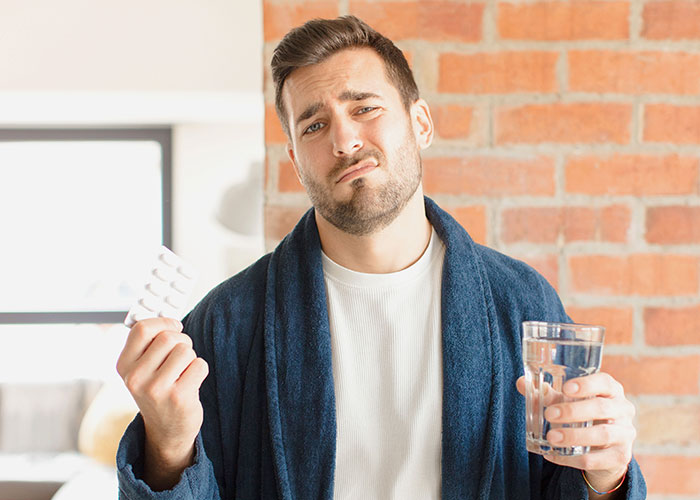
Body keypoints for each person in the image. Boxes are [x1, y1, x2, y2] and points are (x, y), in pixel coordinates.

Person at [116, 15, 646, 500]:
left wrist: (605, 476)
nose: (344, 139)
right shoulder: (227, 322)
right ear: (295, 160)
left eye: (364, 108)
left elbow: (565, 479)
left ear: (421, 124)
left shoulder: (521, 302)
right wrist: (167, 448)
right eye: (314, 125)